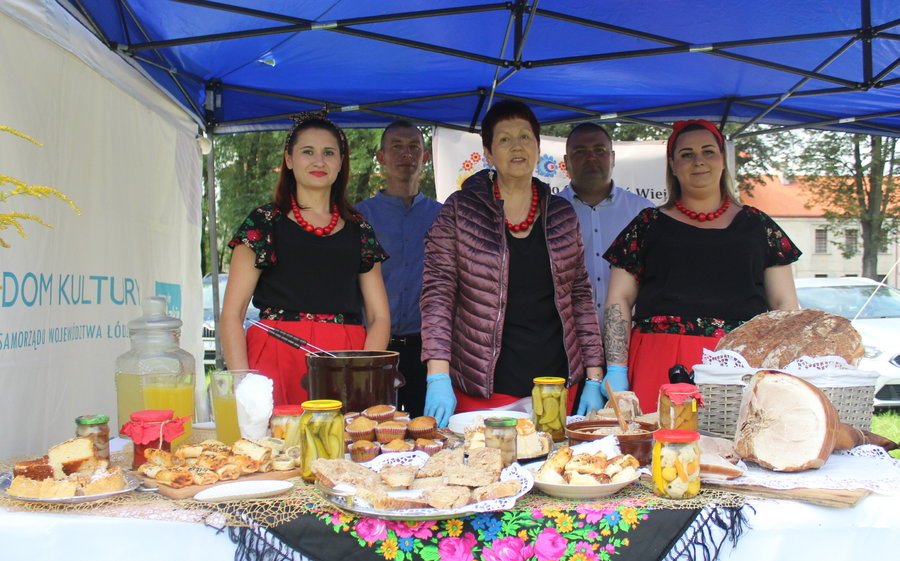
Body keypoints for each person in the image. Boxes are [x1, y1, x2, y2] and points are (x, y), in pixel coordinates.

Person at [420, 100, 605, 428]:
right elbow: (438, 296)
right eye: (504, 139)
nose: (517, 146)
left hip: (557, 384)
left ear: (537, 148)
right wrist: (438, 375)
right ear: (489, 154)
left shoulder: (561, 213)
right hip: (483, 383)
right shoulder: (460, 210)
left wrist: (593, 375)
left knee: (554, 471)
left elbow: (579, 297)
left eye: (525, 137)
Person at [602, 119, 801, 413]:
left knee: (734, 451)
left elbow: (784, 303)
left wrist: (784, 366)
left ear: (723, 160)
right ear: (672, 164)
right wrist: (616, 369)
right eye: (686, 154)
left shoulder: (758, 226)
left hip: (739, 364)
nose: (699, 162)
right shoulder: (646, 225)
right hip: (659, 361)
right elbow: (619, 299)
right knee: (660, 451)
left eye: (708, 152)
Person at [221, 112, 390, 406]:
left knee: (341, 449)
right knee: (274, 447)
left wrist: (363, 370)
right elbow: (232, 315)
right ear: (289, 159)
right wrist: (242, 384)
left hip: (344, 360)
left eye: (329, 153)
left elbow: (379, 317)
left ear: (341, 162)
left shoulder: (360, 229)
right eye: (307, 152)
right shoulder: (264, 222)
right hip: (275, 356)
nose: (319, 161)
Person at [558, 124, 653, 415]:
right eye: (580, 151)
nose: (591, 158)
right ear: (566, 162)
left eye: (599, 150)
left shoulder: (642, 212)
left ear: (612, 157)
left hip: (630, 350)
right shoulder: (551, 212)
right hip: (566, 350)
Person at [356, 121, 442, 417]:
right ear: (380, 157)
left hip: (426, 350)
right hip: (372, 347)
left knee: (427, 430)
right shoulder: (360, 216)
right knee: (371, 429)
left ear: (425, 157)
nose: (406, 154)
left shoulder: (442, 216)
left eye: (414, 147)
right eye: (397, 147)